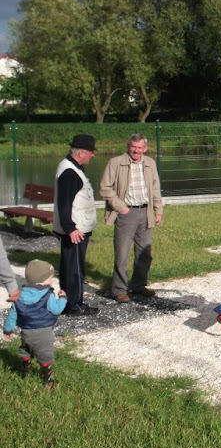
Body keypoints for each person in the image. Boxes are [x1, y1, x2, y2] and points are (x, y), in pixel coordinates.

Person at [99, 133, 163, 304]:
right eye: (133, 147)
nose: (136, 150)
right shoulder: (115, 163)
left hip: (145, 211)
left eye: (140, 147)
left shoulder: (150, 163)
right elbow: (104, 187)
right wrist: (120, 206)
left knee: (144, 253)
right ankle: (119, 289)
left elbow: (155, 188)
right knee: (122, 254)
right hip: (126, 213)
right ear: (128, 147)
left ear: (145, 148)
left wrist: (158, 210)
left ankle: (139, 285)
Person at [53, 134, 99, 316]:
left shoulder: (71, 168)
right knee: (75, 268)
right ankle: (75, 305)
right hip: (75, 230)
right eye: (91, 152)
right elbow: (65, 203)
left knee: (69, 266)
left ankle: (68, 301)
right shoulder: (70, 172)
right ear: (81, 153)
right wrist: (70, 228)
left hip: (75, 228)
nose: (93, 155)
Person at [3, 259, 67, 388]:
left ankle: (24, 370)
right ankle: (47, 380)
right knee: (45, 355)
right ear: (43, 280)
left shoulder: (19, 295)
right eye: (50, 278)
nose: (51, 281)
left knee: (25, 349)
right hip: (44, 332)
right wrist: (63, 298)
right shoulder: (47, 295)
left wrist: (8, 330)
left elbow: (12, 314)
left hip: (26, 331)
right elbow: (56, 309)